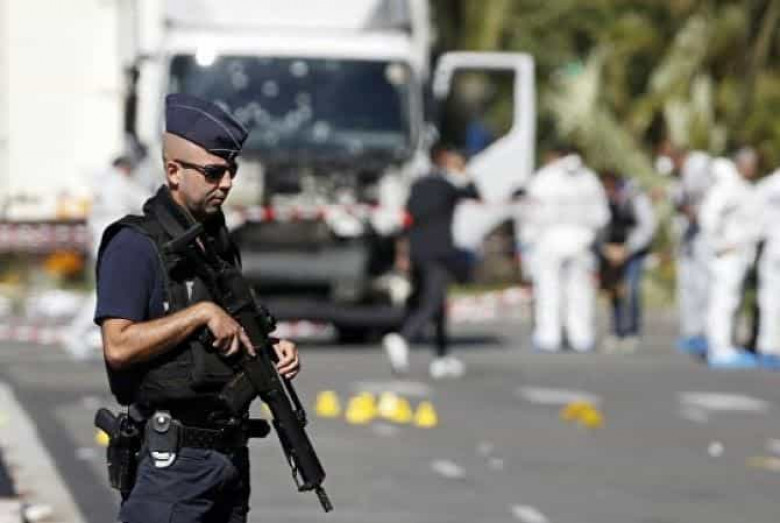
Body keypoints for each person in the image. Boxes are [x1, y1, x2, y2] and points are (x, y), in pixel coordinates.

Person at [94, 94, 300, 523]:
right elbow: (117, 345)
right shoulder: (135, 246)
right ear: (174, 171)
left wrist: (272, 349)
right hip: (172, 466)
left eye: (231, 171)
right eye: (213, 172)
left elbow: (235, 327)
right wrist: (199, 315)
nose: (226, 183)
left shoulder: (216, 242)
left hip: (228, 458)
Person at [382, 142, 480, 379]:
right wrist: (463, 173)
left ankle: (442, 356)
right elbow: (474, 194)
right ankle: (403, 338)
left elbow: (407, 222)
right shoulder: (445, 185)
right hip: (439, 252)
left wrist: (402, 254)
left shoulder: (418, 185)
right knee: (433, 302)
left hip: (417, 252)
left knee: (436, 303)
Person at [524, 144, 609, 353]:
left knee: (548, 289)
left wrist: (528, 242)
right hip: (582, 241)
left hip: (549, 240)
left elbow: (531, 213)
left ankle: (548, 336)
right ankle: (581, 336)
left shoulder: (544, 178)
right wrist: (591, 237)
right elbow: (601, 216)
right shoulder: (589, 178)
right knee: (580, 291)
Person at [62, 155, 148, 358]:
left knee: (116, 291)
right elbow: (147, 202)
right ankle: (77, 333)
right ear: (125, 168)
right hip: (116, 246)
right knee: (108, 293)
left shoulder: (101, 185)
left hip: (102, 245)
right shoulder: (120, 184)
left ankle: (97, 334)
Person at [699, 156, 761, 368]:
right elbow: (708, 217)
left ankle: (725, 345)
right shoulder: (726, 188)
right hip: (727, 255)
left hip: (738, 255)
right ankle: (719, 349)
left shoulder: (741, 187)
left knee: (731, 302)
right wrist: (720, 244)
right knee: (722, 303)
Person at [656, 139, 713, 355]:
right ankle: (692, 333)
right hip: (689, 237)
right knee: (687, 285)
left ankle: (707, 333)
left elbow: (703, 200)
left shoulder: (699, 165)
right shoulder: (680, 177)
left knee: (704, 285)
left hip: (707, 234)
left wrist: (692, 210)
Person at [599, 171, 657, 353]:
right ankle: (616, 330)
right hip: (611, 252)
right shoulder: (602, 200)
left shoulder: (635, 198)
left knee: (631, 290)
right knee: (613, 292)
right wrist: (605, 249)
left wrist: (627, 249)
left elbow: (647, 228)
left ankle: (632, 331)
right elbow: (598, 226)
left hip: (632, 251)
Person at [755, 160, 780, 369]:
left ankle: (767, 347)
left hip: (771, 249)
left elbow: (755, 219)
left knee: (769, 302)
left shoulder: (766, 185)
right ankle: (770, 348)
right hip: (773, 250)